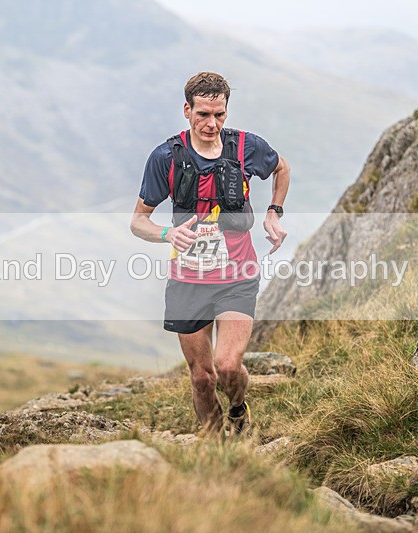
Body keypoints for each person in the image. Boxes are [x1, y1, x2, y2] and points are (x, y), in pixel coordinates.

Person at [130, 72, 290, 437]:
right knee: (202, 377)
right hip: (187, 280)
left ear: (226, 113)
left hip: (237, 275)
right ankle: (215, 448)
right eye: (203, 114)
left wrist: (273, 212)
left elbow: (282, 167)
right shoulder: (165, 157)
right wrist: (168, 233)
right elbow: (139, 222)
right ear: (187, 110)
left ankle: (237, 408)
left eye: (218, 114)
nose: (211, 123)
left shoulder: (246, 147)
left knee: (228, 365)